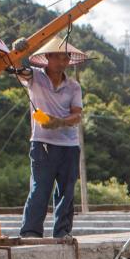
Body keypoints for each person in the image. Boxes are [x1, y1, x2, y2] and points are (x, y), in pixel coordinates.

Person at [17, 36, 86, 238]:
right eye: (59, 58)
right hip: (42, 143)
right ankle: (30, 232)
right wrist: (18, 52)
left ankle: (62, 232)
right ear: (48, 57)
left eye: (66, 58)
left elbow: (77, 114)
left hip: (69, 144)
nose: (63, 62)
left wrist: (59, 122)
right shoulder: (35, 77)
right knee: (40, 188)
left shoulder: (73, 86)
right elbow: (15, 68)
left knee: (66, 191)